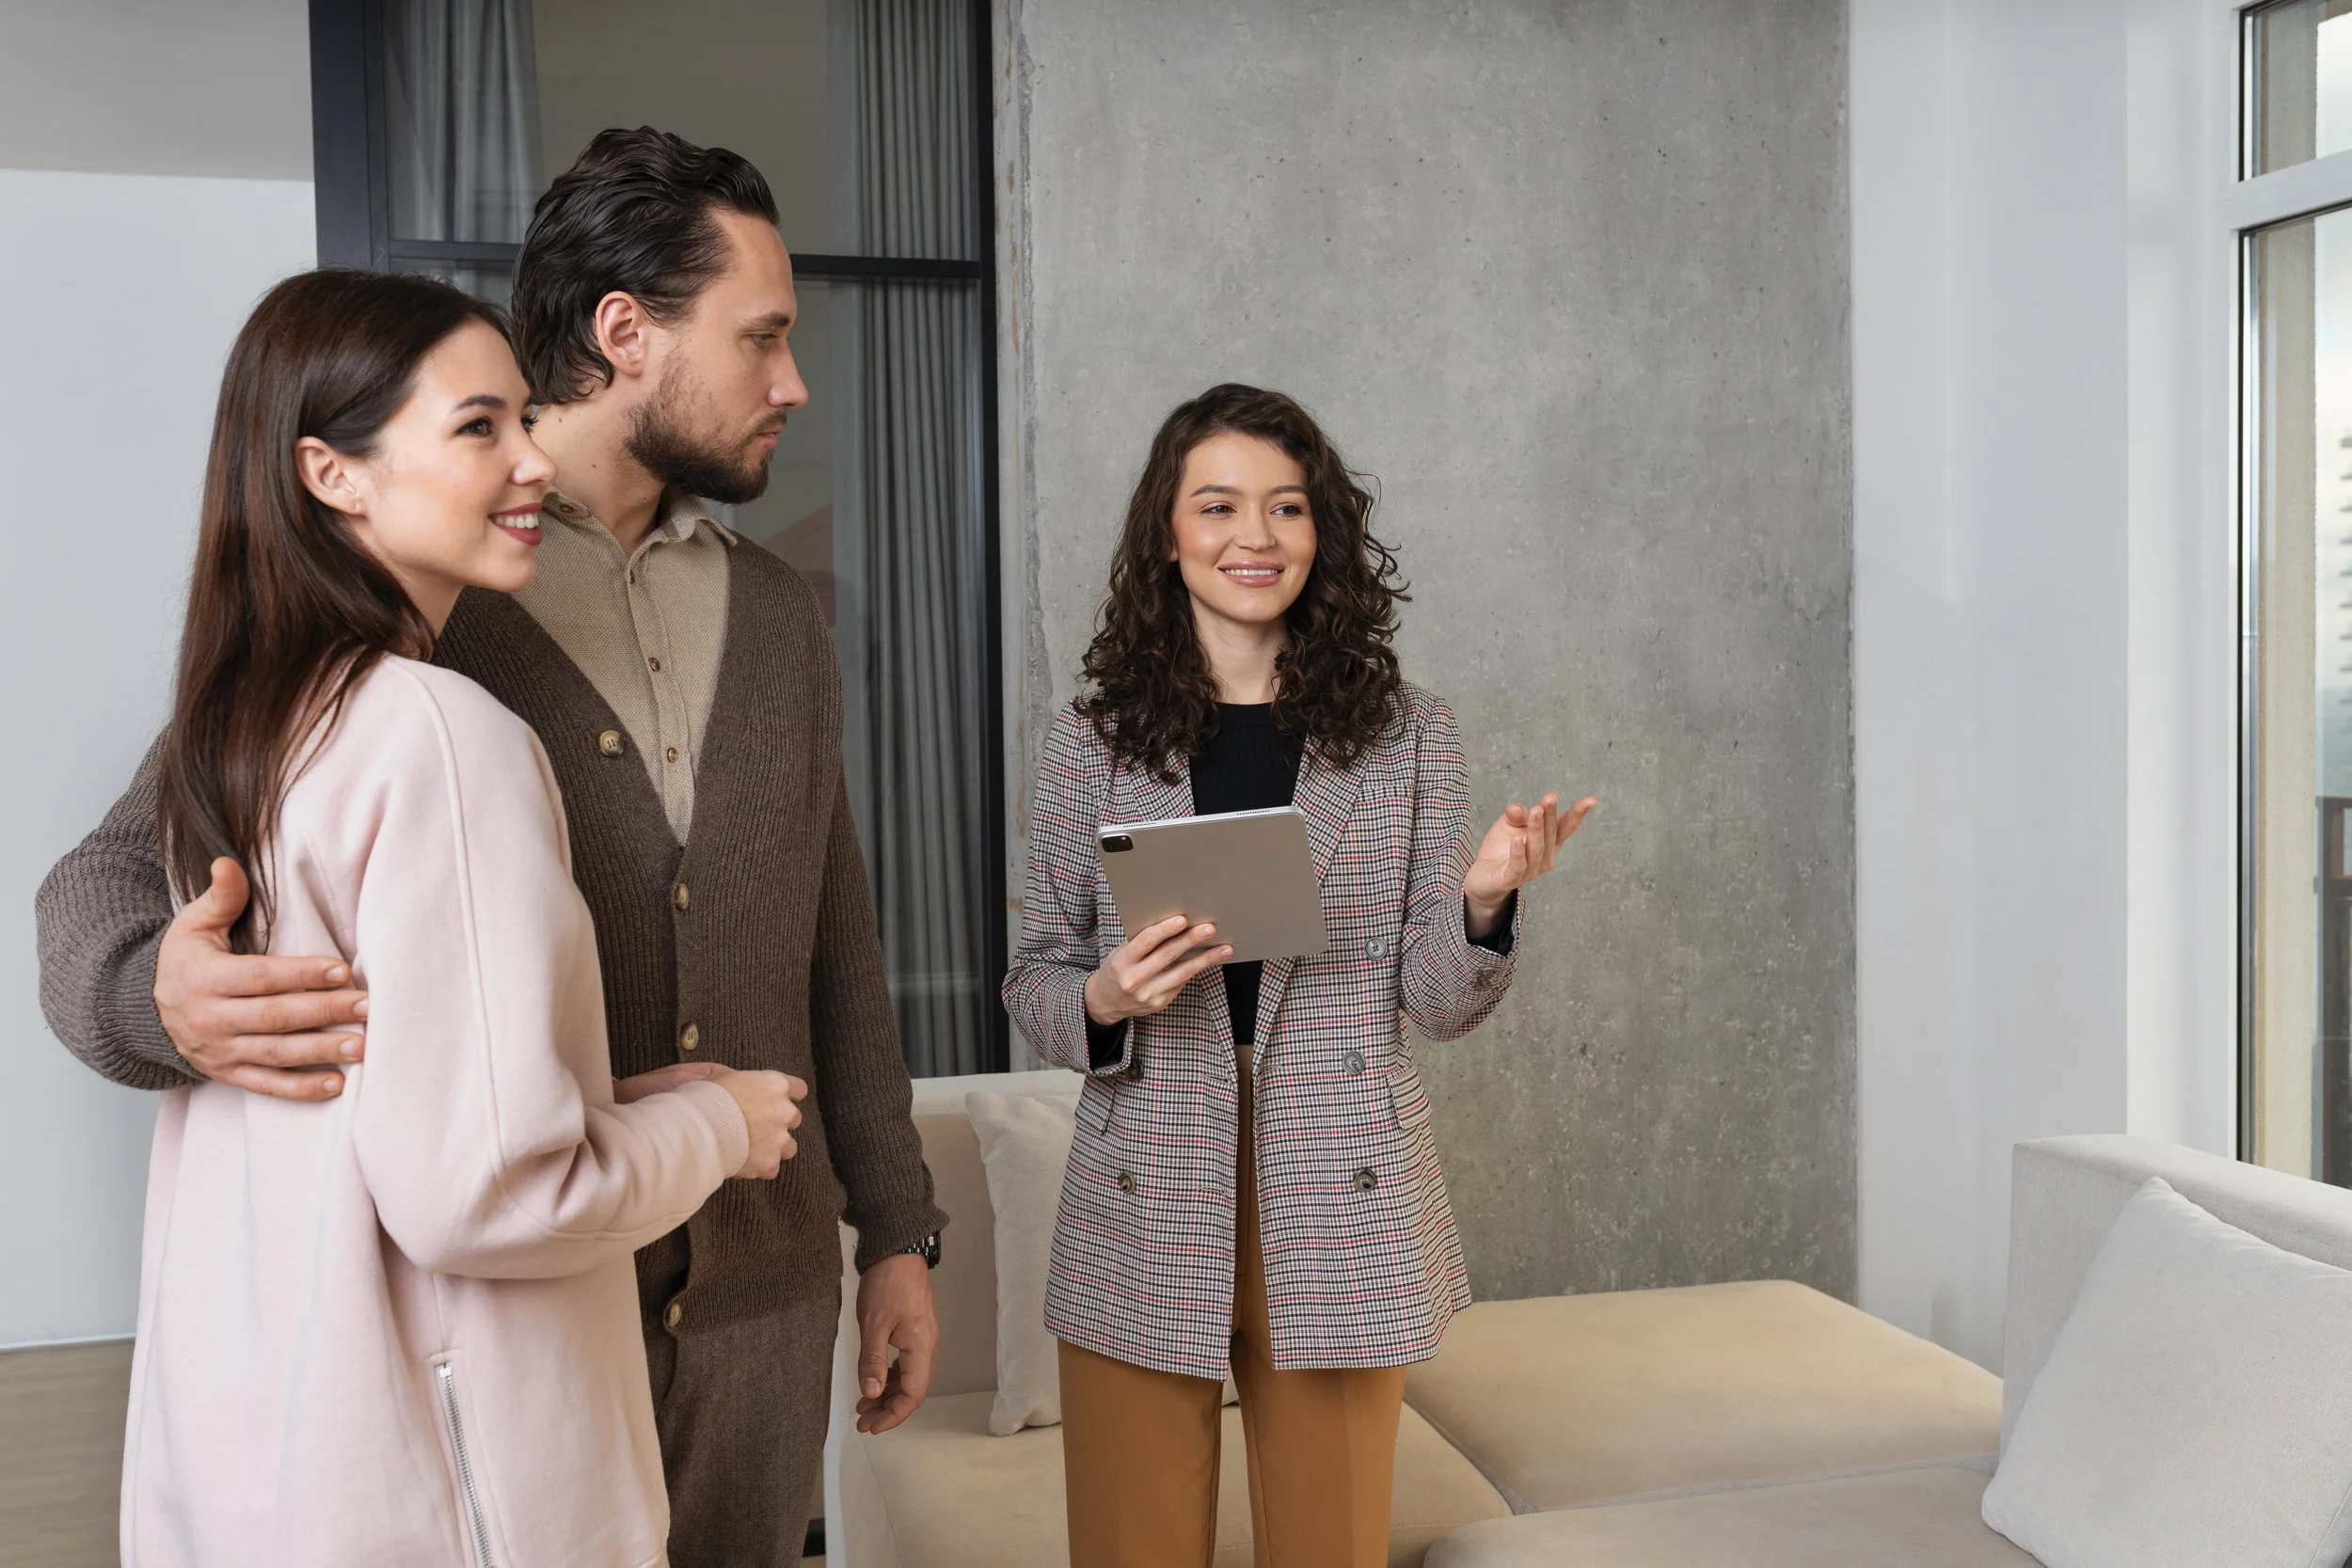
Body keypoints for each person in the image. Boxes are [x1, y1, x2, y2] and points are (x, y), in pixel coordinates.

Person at [38, 130, 945, 1568]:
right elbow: (114, 864)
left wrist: (897, 1227)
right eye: (762, 337)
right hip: (519, 1320)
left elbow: (838, 939)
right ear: (627, 332)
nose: (793, 384)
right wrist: (154, 992)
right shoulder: (426, 585)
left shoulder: (781, 612)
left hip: (762, 1296)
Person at [118, 267, 806, 1566]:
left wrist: (605, 1102)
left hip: (274, 1456)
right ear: (334, 473)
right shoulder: (439, 734)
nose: (527, 459)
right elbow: (492, 1193)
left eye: (521, 420)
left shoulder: (244, 735)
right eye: (476, 426)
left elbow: (389, 1110)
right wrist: (718, 1123)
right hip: (457, 1491)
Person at [1004, 384, 1597, 1568]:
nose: (1253, 537)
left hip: (1342, 1187)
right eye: (1217, 505)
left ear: (1321, 532)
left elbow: (1432, 999)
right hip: (1144, 1186)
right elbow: (1032, 972)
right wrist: (1104, 996)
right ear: (1166, 534)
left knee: (1327, 1547)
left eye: (1285, 508)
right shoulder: (1091, 739)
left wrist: (1481, 901)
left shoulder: (1408, 734)